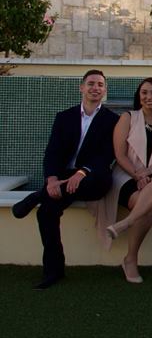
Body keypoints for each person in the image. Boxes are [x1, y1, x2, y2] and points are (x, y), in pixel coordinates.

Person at [12, 69, 120, 289]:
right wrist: (51, 179)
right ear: (81, 87)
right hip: (62, 180)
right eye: (91, 83)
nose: (95, 88)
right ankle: (54, 271)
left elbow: (107, 154)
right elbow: (52, 151)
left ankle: (36, 197)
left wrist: (82, 173)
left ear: (105, 91)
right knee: (46, 212)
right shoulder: (64, 117)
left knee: (97, 179)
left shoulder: (112, 120)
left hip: (92, 179)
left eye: (100, 84)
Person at [97, 78, 152, 284]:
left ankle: (125, 224)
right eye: (144, 93)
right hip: (125, 175)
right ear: (138, 96)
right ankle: (131, 259)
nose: (149, 97)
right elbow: (120, 154)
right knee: (148, 205)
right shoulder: (128, 118)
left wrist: (148, 173)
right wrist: (138, 175)